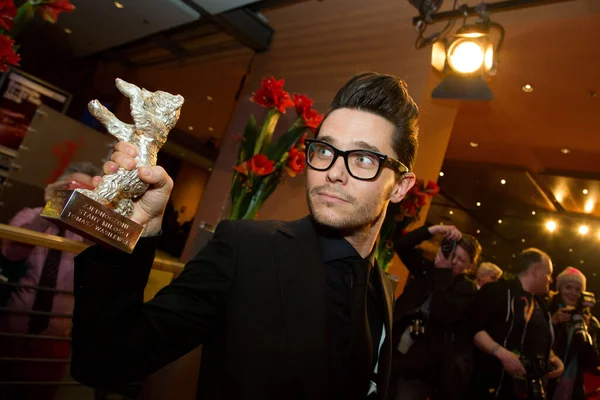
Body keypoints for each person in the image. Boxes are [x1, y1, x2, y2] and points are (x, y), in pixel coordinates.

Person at [69, 73, 419, 400]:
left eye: (363, 158)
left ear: (401, 187)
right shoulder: (247, 250)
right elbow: (104, 363)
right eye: (325, 151)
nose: (333, 173)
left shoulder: (383, 289)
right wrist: (133, 232)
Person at [0, 162, 99, 400]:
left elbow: (103, 268)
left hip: (56, 336)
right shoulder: (31, 215)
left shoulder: (90, 233)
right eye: (70, 187)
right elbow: (11, 253)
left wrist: (97, 212)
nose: (74, 195)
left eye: (83, 191)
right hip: (12, 325)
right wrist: (50, 208)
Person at [389, 224, 481, 400]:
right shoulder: (428, 270)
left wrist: (444, 274)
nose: (453, 261)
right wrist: (436, 229)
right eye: (453, 255)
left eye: (461, 260)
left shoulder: (466, 290)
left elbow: (442, 314)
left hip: (419, 370)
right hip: (391, 353)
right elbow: (401, 244)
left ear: (470, 266)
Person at [467, 248, 564, 399]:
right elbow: (474, 327)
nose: (550, 280)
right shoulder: (497, 290)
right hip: (493, 385)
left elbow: (538, 340)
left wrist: (552, 357)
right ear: (536, 270)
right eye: (548, 273)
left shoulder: (540, 304)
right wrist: (501, 353)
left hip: (526, 389)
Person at [546, 267, 600, 400]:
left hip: (574, 387)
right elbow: (531, 342)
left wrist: (586, 332)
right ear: (559, 288)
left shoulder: (589, 320)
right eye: (568, 287)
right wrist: (552, 322)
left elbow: (592, 362)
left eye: (578, 290)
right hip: (546, 381)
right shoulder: (545, 310)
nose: (573, 293)